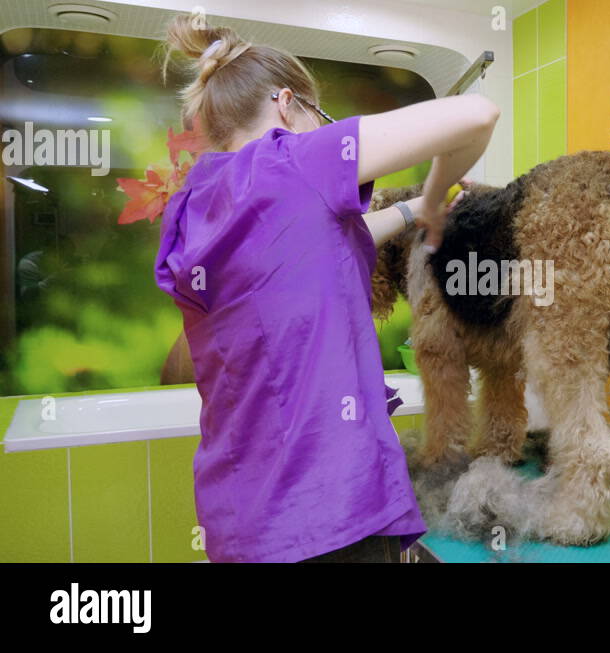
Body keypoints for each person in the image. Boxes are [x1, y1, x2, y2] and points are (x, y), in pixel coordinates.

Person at [153, 15, 499, 562]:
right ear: (287, 103)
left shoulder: (197, 204)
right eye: (321, 115)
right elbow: (478, 115)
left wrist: (411, 212)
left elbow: (319, 244)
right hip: (327, 512)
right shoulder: (296, 158)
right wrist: (435, 195)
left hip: (240, 519)